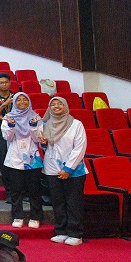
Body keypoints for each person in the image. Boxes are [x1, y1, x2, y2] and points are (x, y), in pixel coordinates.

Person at [40, 96, 87, 246]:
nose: (56, 107)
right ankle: (61, 231)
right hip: (52, 169)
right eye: (53, 105)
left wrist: (68, 168)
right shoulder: (46, 124)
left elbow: (80, 147)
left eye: (59, 104)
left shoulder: (76, 124)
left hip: (73, 171)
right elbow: (46, 146)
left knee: (73, 203)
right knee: (58, 202)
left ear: (65, 106)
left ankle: (75, 233)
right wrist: (43, 144)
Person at [1, 92, 44, 229]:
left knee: (34, 190)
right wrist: (11, 127)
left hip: (32, 158)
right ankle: (17, 216)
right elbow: (7, 137)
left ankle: (35, 217)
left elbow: (38, 138)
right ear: (14, 102)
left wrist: (33, 127)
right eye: (18, 100)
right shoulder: (8, 117)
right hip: (15, 158)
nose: (22, 102)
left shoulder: (36, 117)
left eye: (25, 100)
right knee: (16, 190)